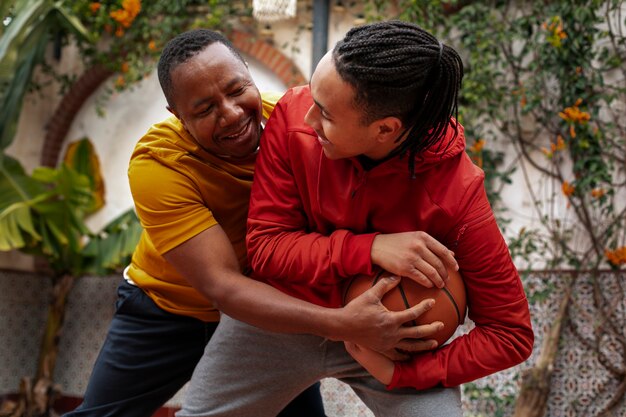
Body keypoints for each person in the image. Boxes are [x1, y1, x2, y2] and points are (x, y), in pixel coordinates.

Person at [63, 28, 446, 417]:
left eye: (236, 89)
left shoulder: (294, 125)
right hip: (168, 310)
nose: (230, 113)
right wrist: (343, 323)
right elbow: (223, 286)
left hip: (269, 313)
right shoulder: (158, 165)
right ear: (177, 116)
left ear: (249, 73)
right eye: (204, 109)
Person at [176, 20, 534, 417]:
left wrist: (409, 373)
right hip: (287, 315)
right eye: (313, 98)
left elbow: (510, 333)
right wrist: (373, 248)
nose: (308, 118)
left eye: (326, 113)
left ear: (385, 129)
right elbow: (266, 247)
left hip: (390, 343)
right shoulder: (292, 118)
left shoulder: (457, 191)